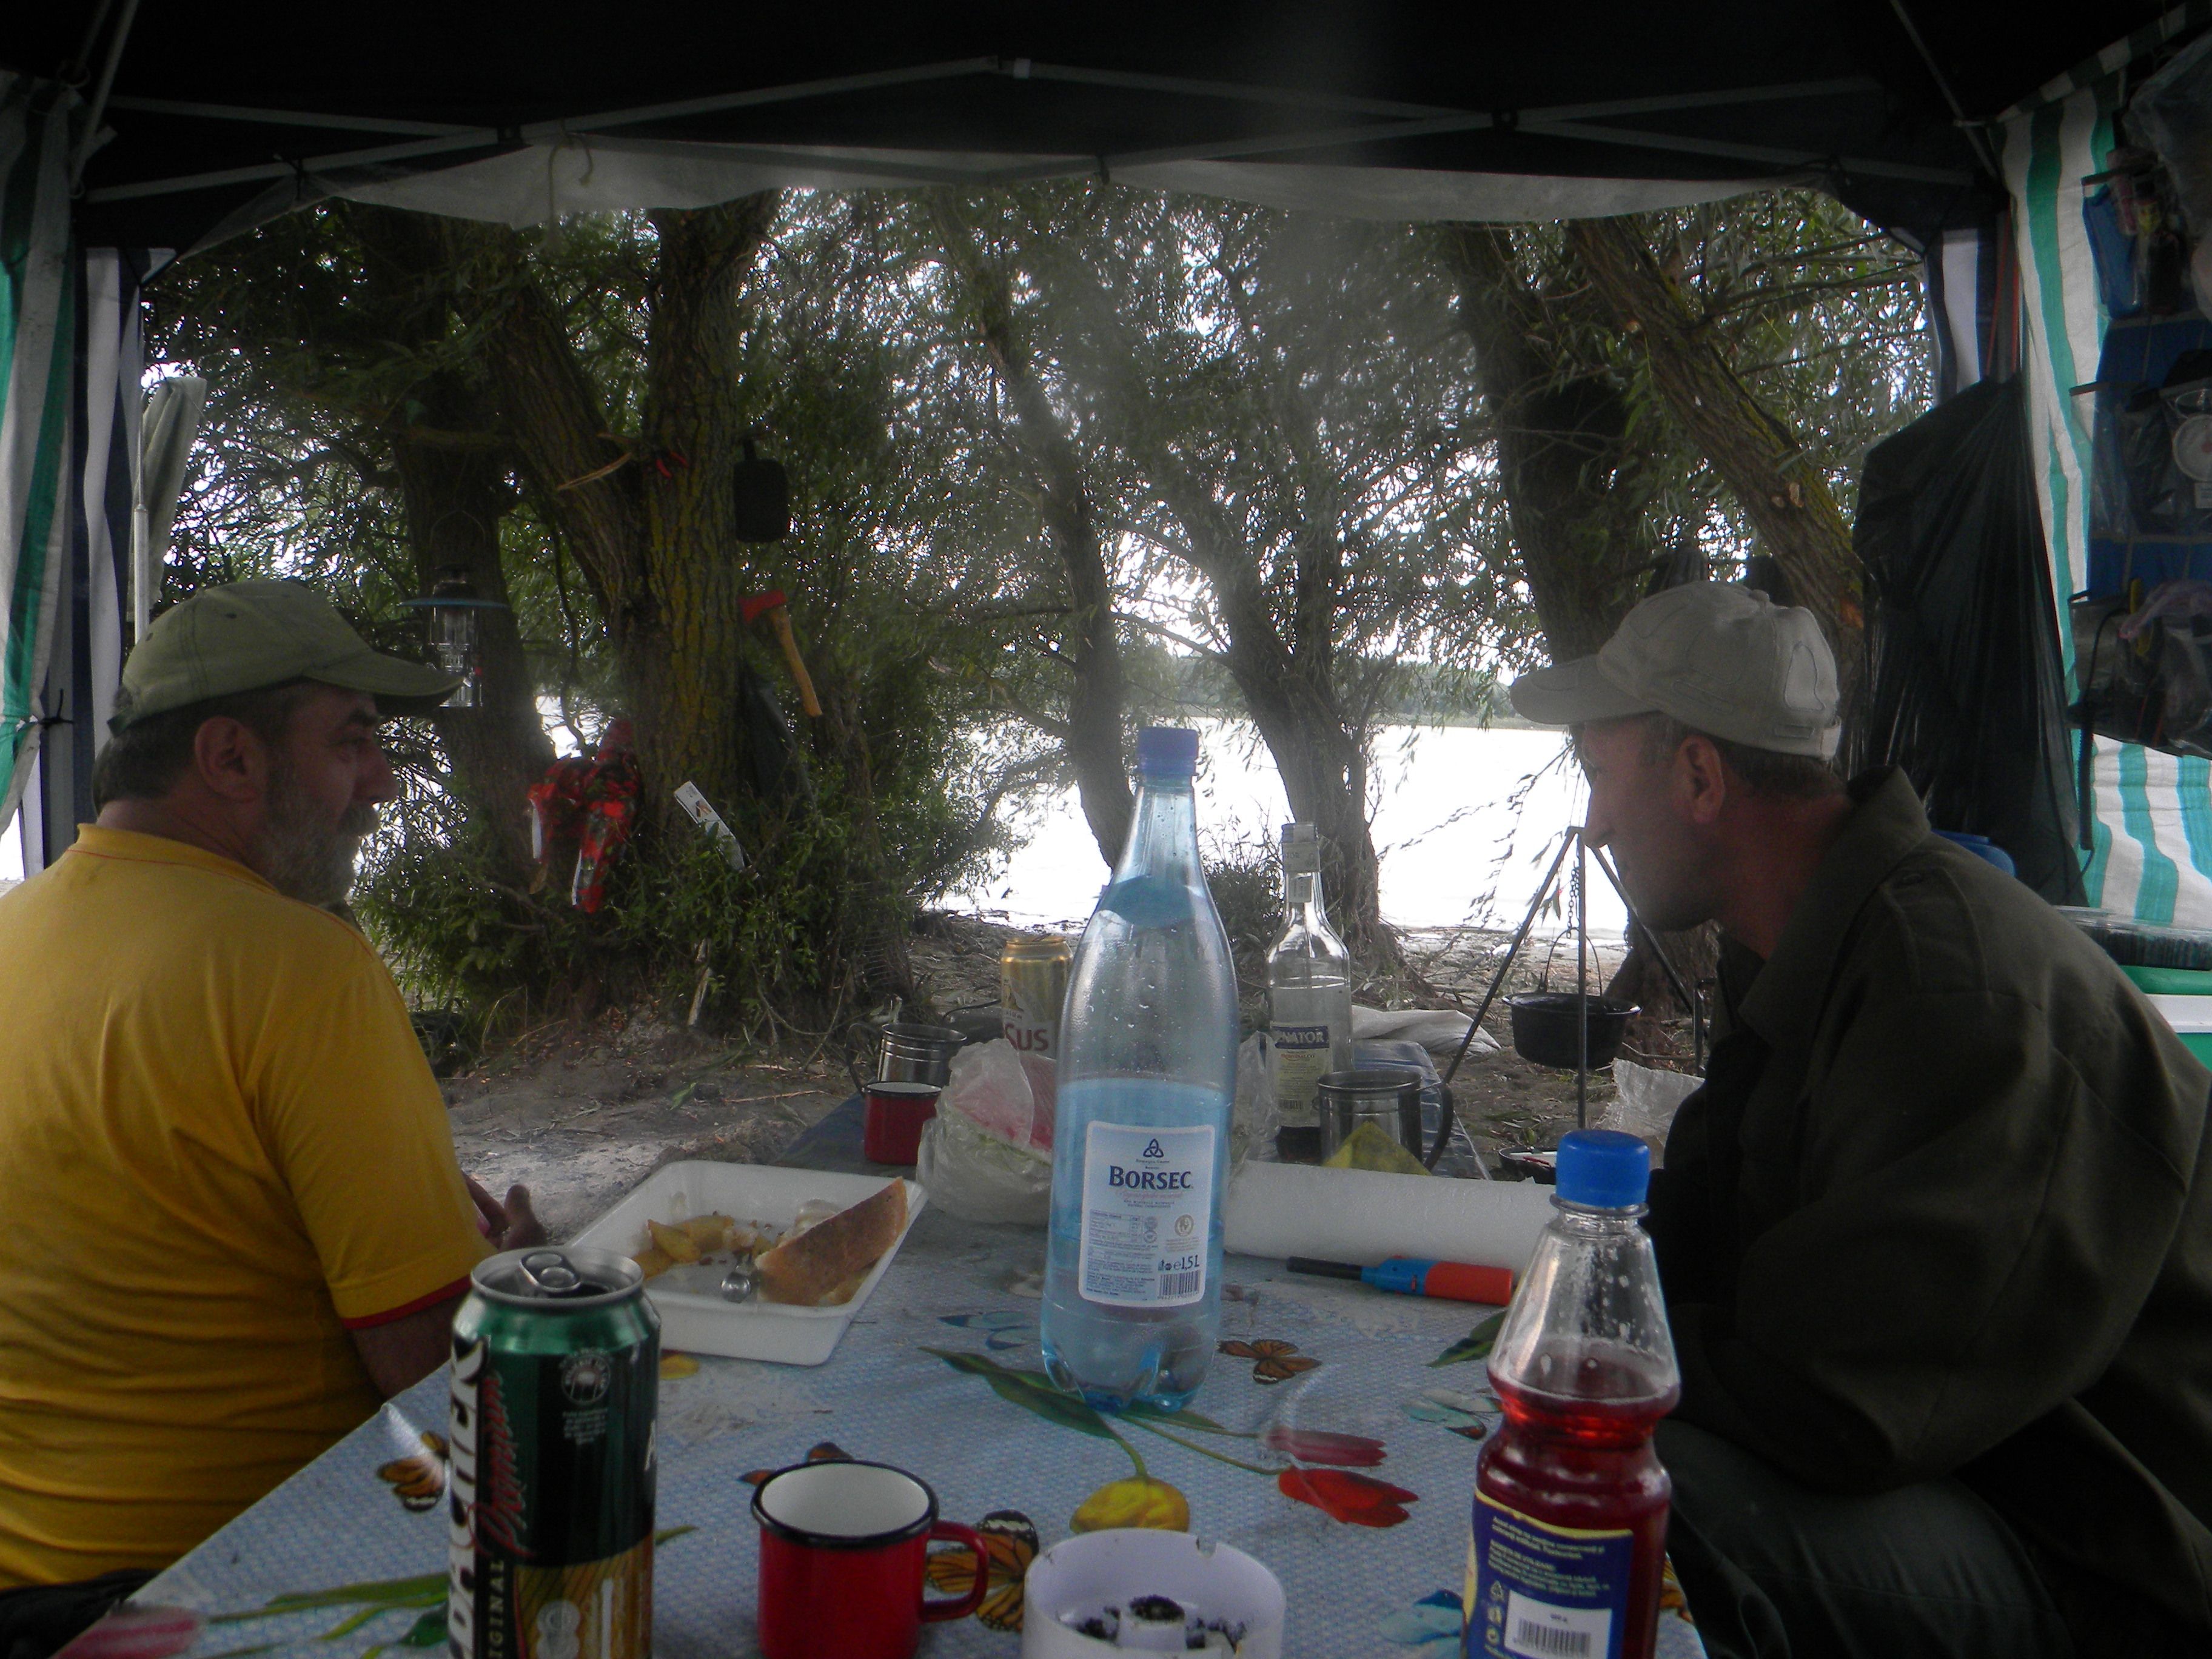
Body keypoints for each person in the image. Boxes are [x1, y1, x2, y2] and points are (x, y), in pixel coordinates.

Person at [1511, 581, 2212, 1658]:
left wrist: (1583, 1361)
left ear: (1699, 775)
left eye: (1600, 775)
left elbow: (1839, 1398)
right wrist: (1560, 1299)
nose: (1596, 822)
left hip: (2100, 1548)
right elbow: (1722, 1226)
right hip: (1979, 1467)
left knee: (1630, 1494)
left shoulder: (1949, 986)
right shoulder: (1811, 938)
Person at [0, 580, 544, 1627]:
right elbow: (441, 1383)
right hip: (228, 1592)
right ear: (230, 758)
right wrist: (513, 1297)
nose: (382, 782)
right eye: (352, 742)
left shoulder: (14, 934)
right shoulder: (302, 969)